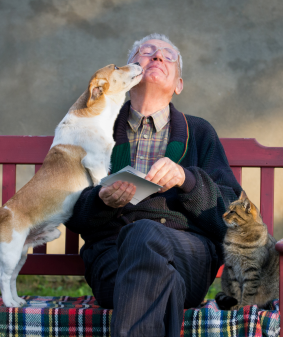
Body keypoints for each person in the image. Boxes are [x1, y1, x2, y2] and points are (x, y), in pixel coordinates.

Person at [64, 33, 242, 337]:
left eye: (167, 56)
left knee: (144, 234)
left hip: (188, 255)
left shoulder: (199, 133)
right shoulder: (93, 130)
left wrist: (188, 180)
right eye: (146, 53)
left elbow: (234, 218)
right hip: (113, 261)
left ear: (178, 85)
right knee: (162, 278)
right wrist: (101, 200)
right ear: (128, 73)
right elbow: (68, 210)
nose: (157, 57)